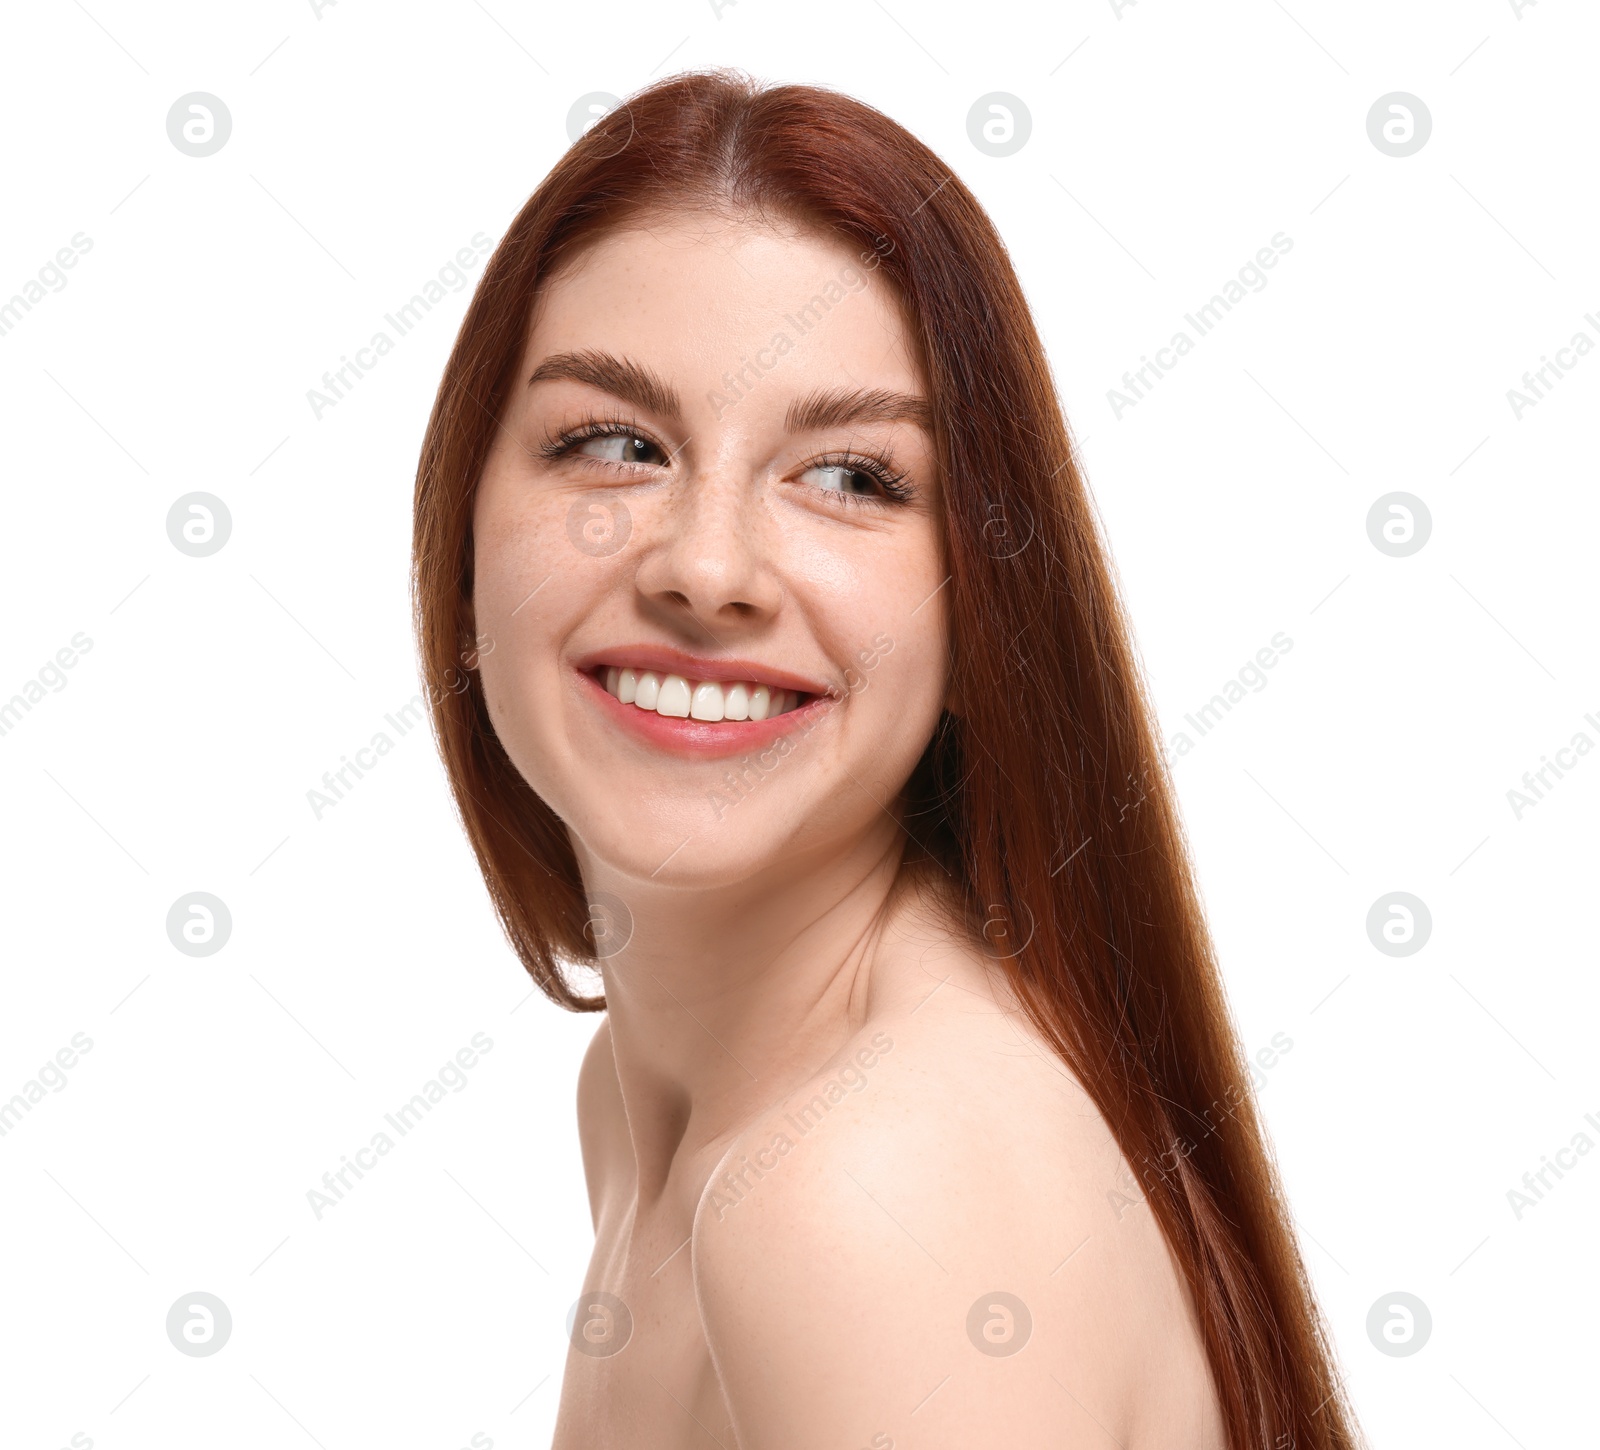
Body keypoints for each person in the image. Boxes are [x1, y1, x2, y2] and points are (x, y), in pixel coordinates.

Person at [412, 68, 1363, 1450]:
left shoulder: (859, 1192)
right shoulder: (639, 1103)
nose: (707, 566)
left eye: (852, 475)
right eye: (614, 444)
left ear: (985, 612)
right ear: (466, 549)